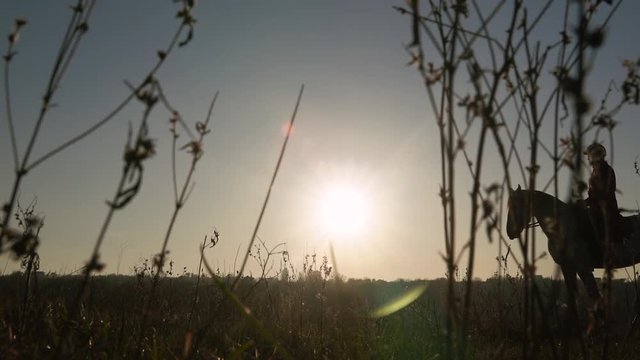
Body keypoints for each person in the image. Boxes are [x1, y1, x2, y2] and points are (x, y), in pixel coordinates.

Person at [583, 143, 623, 243]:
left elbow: (605, 192)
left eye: (589, 156)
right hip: (596, 208)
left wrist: (588, 202)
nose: (588, 159)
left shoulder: (607, 170)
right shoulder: (594, 172)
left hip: (606, 210)